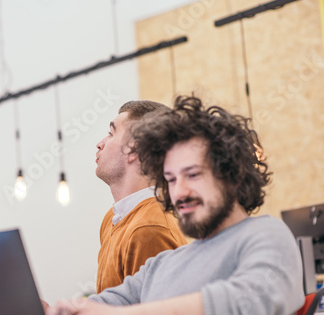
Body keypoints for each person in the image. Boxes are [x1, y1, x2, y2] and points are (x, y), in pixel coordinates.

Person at [48, 96, 304, 315]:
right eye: (170, 179)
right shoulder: (160, 266)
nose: (178, 192)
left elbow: (245, 301)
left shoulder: (267, 236)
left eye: (192, 174)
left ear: (232, 175)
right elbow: (102, 304)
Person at [94, 100, 186, 293]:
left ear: (134, 149)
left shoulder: (150, 229)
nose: (100, 143)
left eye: (111, 133)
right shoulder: (111, 218)